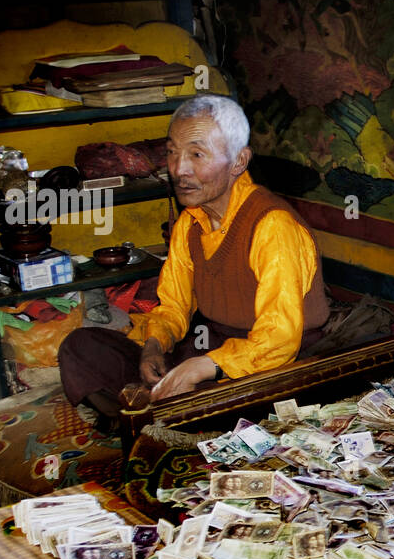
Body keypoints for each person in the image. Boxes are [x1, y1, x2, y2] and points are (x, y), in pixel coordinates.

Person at [59, 95, 325, 421]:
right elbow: (172, 305)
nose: (179, 169)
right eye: (172, 153)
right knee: (80, 346)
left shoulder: (272, 225)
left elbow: (279, 342)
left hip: (274, 364)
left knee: (202, 398)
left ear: (238, 161)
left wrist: (204, 366)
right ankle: (145, 417)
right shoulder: (191, 222)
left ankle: (147, 417)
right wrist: (154, 345)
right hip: (211, 349)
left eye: (197, 154)